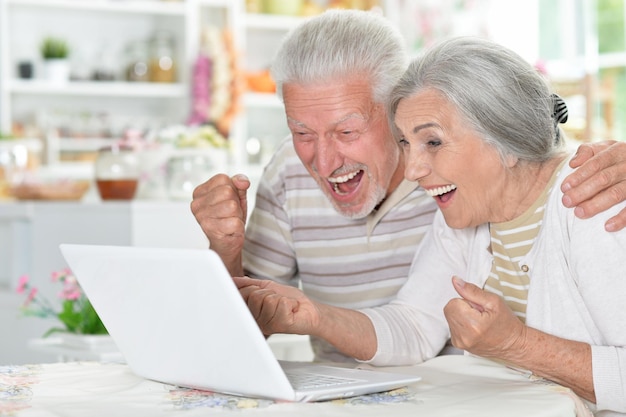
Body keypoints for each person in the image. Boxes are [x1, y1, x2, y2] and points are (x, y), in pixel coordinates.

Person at [191, 9, 626, 363]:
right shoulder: (458, 216)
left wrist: (517, 346)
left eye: (346, 131)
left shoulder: (589, 199)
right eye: (302, 132)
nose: (322, 162)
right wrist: (306, 311)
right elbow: (415, 324)